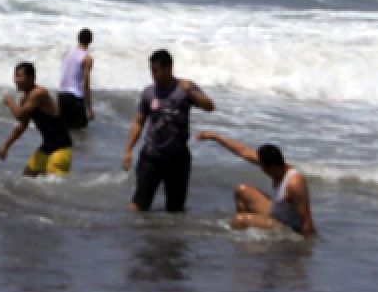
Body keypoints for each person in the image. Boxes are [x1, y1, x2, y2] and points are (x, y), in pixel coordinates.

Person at [122, 49, 215, 212]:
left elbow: (209, 106)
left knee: (176, 209)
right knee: (138, 205)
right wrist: (128, 150)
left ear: (169, 68)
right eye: (151, 70)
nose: (153, 74)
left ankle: (170, 237)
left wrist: (191, 92)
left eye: (156, 70)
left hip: (178, 158)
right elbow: (138, 122)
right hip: (151, 155)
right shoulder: (148, 92)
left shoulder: (185, 88)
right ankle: (135, 235)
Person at [197, 131, 315, 236]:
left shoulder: (294, 183)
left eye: (263, 168)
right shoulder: (275, 166)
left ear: (272, 167)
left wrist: (304, 252)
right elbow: (243, 151)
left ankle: (246, 244)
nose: (263, 170)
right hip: (276, 213)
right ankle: (249, 234)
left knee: (240, 220)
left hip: (289, 227)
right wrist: (215, 137)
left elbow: (306, 220)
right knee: (242, 190)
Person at [0, 62, 73, 176]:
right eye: (15, 76)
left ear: (31, 78)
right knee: (27, 176)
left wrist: (10, 101)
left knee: (52, 185)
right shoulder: (25, 99)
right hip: (47, 146)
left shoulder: (39, 93)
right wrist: (6, 146)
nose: (15, 80)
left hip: (61, 147)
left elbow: (19, 115)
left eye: (19, 76)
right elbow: (22, 125)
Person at [57, 28, 95, 129]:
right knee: (80, 130)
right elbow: (86, 84)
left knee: (67, 131)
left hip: (62, 95)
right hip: (75, 97)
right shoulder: (87, 58)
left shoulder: (67, 53)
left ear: (78, 38)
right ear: (90, 41)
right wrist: (89, 108)